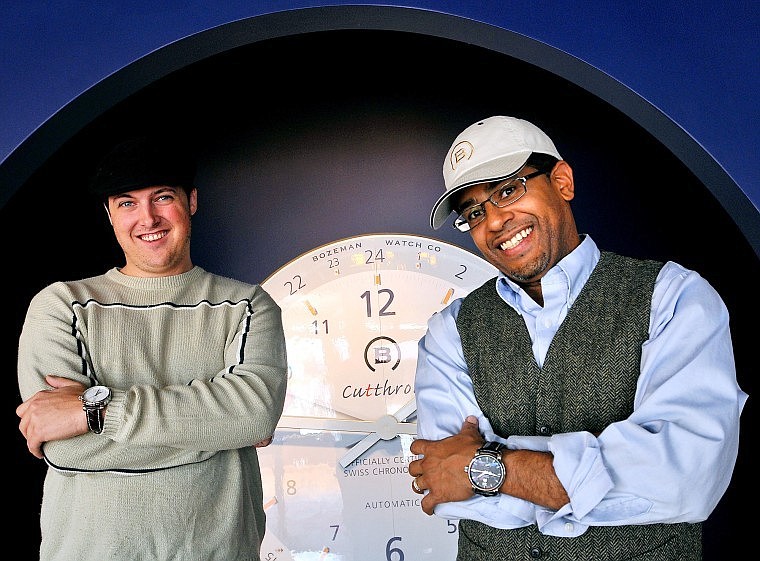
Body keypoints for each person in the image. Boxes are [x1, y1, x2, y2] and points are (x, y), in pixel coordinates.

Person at [408, 115, 747, 560]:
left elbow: (686, 479)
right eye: (474, 212)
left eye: (508, 190)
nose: (494, 221)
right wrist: (609, 473)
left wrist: (485, 465)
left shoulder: (674, 297)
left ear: (562, 182)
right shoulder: (448, 331)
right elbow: (449, 483)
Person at [16, 136, 288, 561]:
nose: (148, 218)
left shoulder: (247, 306)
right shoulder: (62, 306)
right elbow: (65, 447)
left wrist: (97, 411)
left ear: (191, 201)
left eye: (162, 197)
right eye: (127, 203)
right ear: (109, 214)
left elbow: (254, 413)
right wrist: (218, 427)